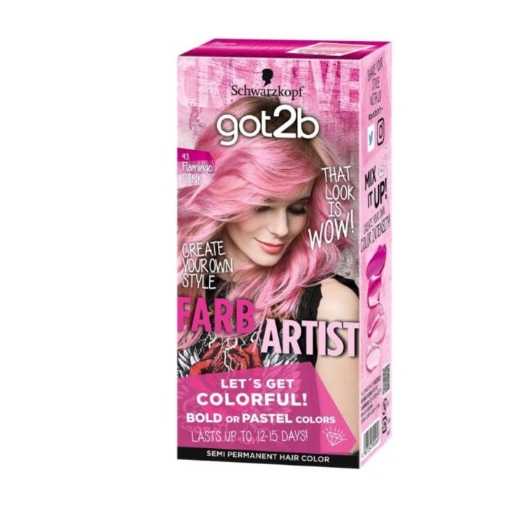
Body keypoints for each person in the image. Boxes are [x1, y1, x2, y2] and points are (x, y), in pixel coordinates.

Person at [177, 97, 359, 445]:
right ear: (221, 195)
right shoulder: (182, 287)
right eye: (263, 206)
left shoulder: (330, 306)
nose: (281, 229)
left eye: (297, 208)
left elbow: (339, 449)